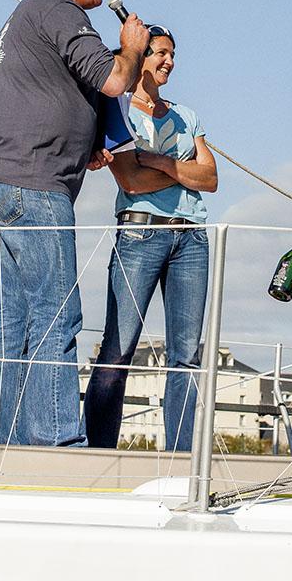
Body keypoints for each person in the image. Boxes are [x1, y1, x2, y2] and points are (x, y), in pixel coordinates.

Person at [0, 0, 149, 447]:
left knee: (17, 318)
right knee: (57, 313)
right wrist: (132, 46)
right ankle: (55, 440)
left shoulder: (30, 10)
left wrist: (85, 138)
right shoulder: (61, 11)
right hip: (34, 183)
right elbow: (115, 79)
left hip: (2, 178)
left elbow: (52, 85)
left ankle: (3, 437)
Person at [84, 25, 218, 451]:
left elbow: (211, 178)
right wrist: (182, 172)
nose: (169, 62)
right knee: (118, 349)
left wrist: (159, 160)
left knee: (187, 356)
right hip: (140, 232)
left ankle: (181, 456)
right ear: (140, 57)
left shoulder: (187, 115)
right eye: (160, 53)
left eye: (173, 54)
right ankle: (99, 450)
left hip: (192, 239)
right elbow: (130, 180)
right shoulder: (116, 109)